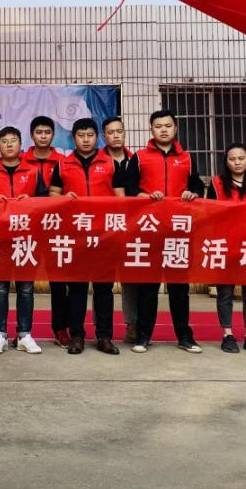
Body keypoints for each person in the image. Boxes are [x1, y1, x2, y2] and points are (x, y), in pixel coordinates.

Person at [126, 110, 205, 355]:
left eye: (168, 126)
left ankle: (184, 336)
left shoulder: (187, 158)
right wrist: (144, 196)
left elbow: (197, 185)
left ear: (175, 128)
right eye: (158, 126)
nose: (163, 130)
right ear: (151, 130)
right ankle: (143, 336)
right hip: (149, 230)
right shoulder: (139, 157)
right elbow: (129, 188)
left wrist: (193, 193)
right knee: (148, 288)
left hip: (178, 231)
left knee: (179, 288)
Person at [0, 126, 51, 355]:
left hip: (26, 239)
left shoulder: (33, 172)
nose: (9, 144)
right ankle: (0, 334)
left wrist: (32, 200)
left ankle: (24, 334)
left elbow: (46, 201)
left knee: (26, 288)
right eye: (4, 141)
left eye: (13, 140)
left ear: (20, 144)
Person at [49, 117, 119, 355]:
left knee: (103, 289)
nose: (86, 140)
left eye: (90, 135)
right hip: (75, 235)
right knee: (77, 289)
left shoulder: (110, 164)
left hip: (104, 235)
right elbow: (52, 194)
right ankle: (77, 336)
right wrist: (63, 199)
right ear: (74, 138)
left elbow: (121, 198)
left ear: (97, 137)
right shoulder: (63, 165)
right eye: (81, 135)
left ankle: (104, 337)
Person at [205, 142, 246, 355]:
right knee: (225, 292)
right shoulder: (216, 184)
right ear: (226, 161)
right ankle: (227, 335)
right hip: (225, 244)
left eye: (241, 158)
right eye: (232, 159)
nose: (237, 162)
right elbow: (208, 212)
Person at [23, 115, 70, 347]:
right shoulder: (21, 161)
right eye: (39, 132)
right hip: (27, 230)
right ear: (32, 135)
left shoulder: (64, 161)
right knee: (25, 284)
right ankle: (23, 332)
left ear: (53, 135)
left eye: (47, 132)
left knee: (59, 282)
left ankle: (61, 329)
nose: (43, 136)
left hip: (55, 229)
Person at [102, 116, 140, 343]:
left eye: (119, 131)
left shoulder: (136, 161)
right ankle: (102, 330)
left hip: (132, 228)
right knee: (102, 282)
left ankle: (132, 325)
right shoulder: (97, 162)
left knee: (131, 279)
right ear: (104, 136)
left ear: (125, 133)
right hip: (103, 228)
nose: (116, 136)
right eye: (111, 132)